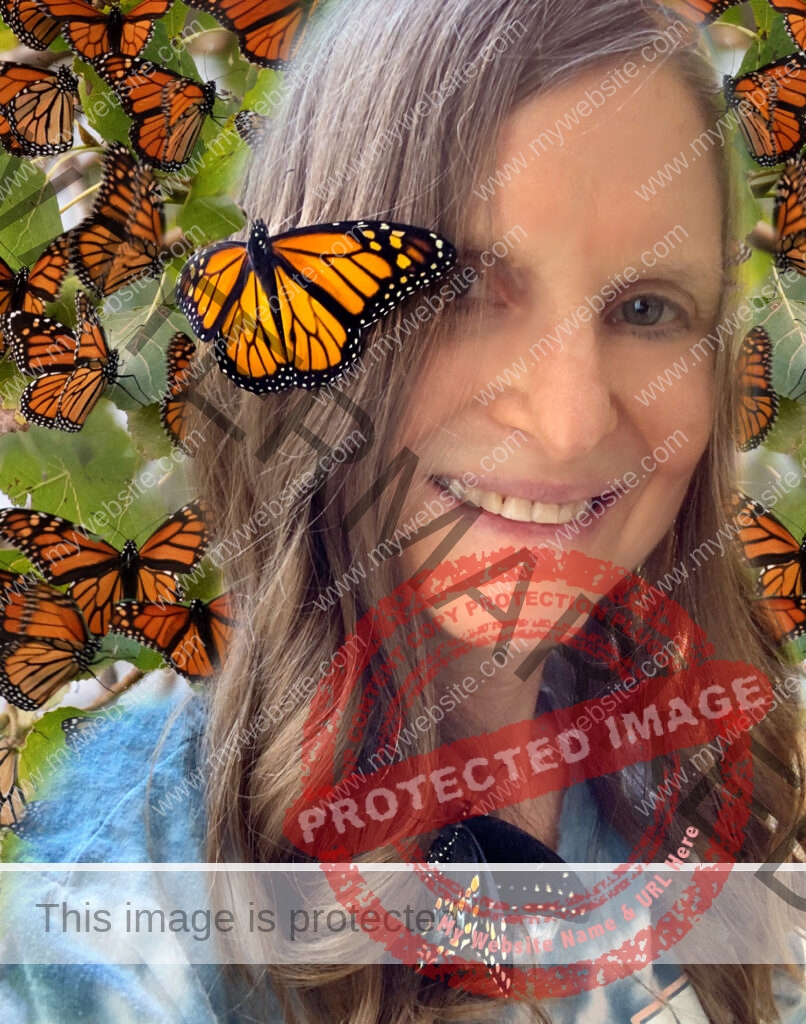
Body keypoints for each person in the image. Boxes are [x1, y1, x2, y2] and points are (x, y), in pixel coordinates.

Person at [6, 0, 806, 1022]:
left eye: (646, 308)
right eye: (462, 288)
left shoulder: (711, 757)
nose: (565, 424)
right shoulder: (132, 877)